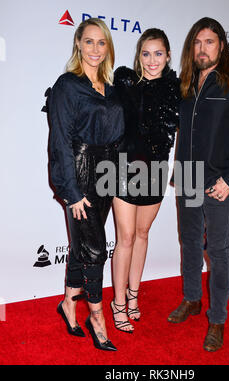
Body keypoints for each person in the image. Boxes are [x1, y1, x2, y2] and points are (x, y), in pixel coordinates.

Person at [167, 17, 229, 352]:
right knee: (189, 243)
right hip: (187, 176)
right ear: (193, 48)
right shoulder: (185, 84)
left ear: (221, 45)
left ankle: (217, 319)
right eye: (198, 42)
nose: (203, 48)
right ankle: (191, 299)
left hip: (219, 180)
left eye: (210, 41)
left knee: (217, 252)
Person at [46, 18, 125, 351]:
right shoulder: (67, 85)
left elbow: (120, 134)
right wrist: (71, 190)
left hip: (107, 172)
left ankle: (68, 304)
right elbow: (60, 140)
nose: (95, 49)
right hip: (78, 170)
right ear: (78, 43)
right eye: (89, 42)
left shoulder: (112, 86)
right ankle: (97, 316)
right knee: (94, 248)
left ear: (108, 47)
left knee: (83, 243)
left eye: (101, 42)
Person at [111, 29, 180, 332]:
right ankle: (118, 303)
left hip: (156, 170)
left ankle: (134, 295)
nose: (152, 60)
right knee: (125, 237)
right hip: (123, 168)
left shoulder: (177, 89)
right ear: (138, 56)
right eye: (146, 53)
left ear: (168, 55)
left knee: (142, 234)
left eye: (158, 53)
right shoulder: (125, 82)